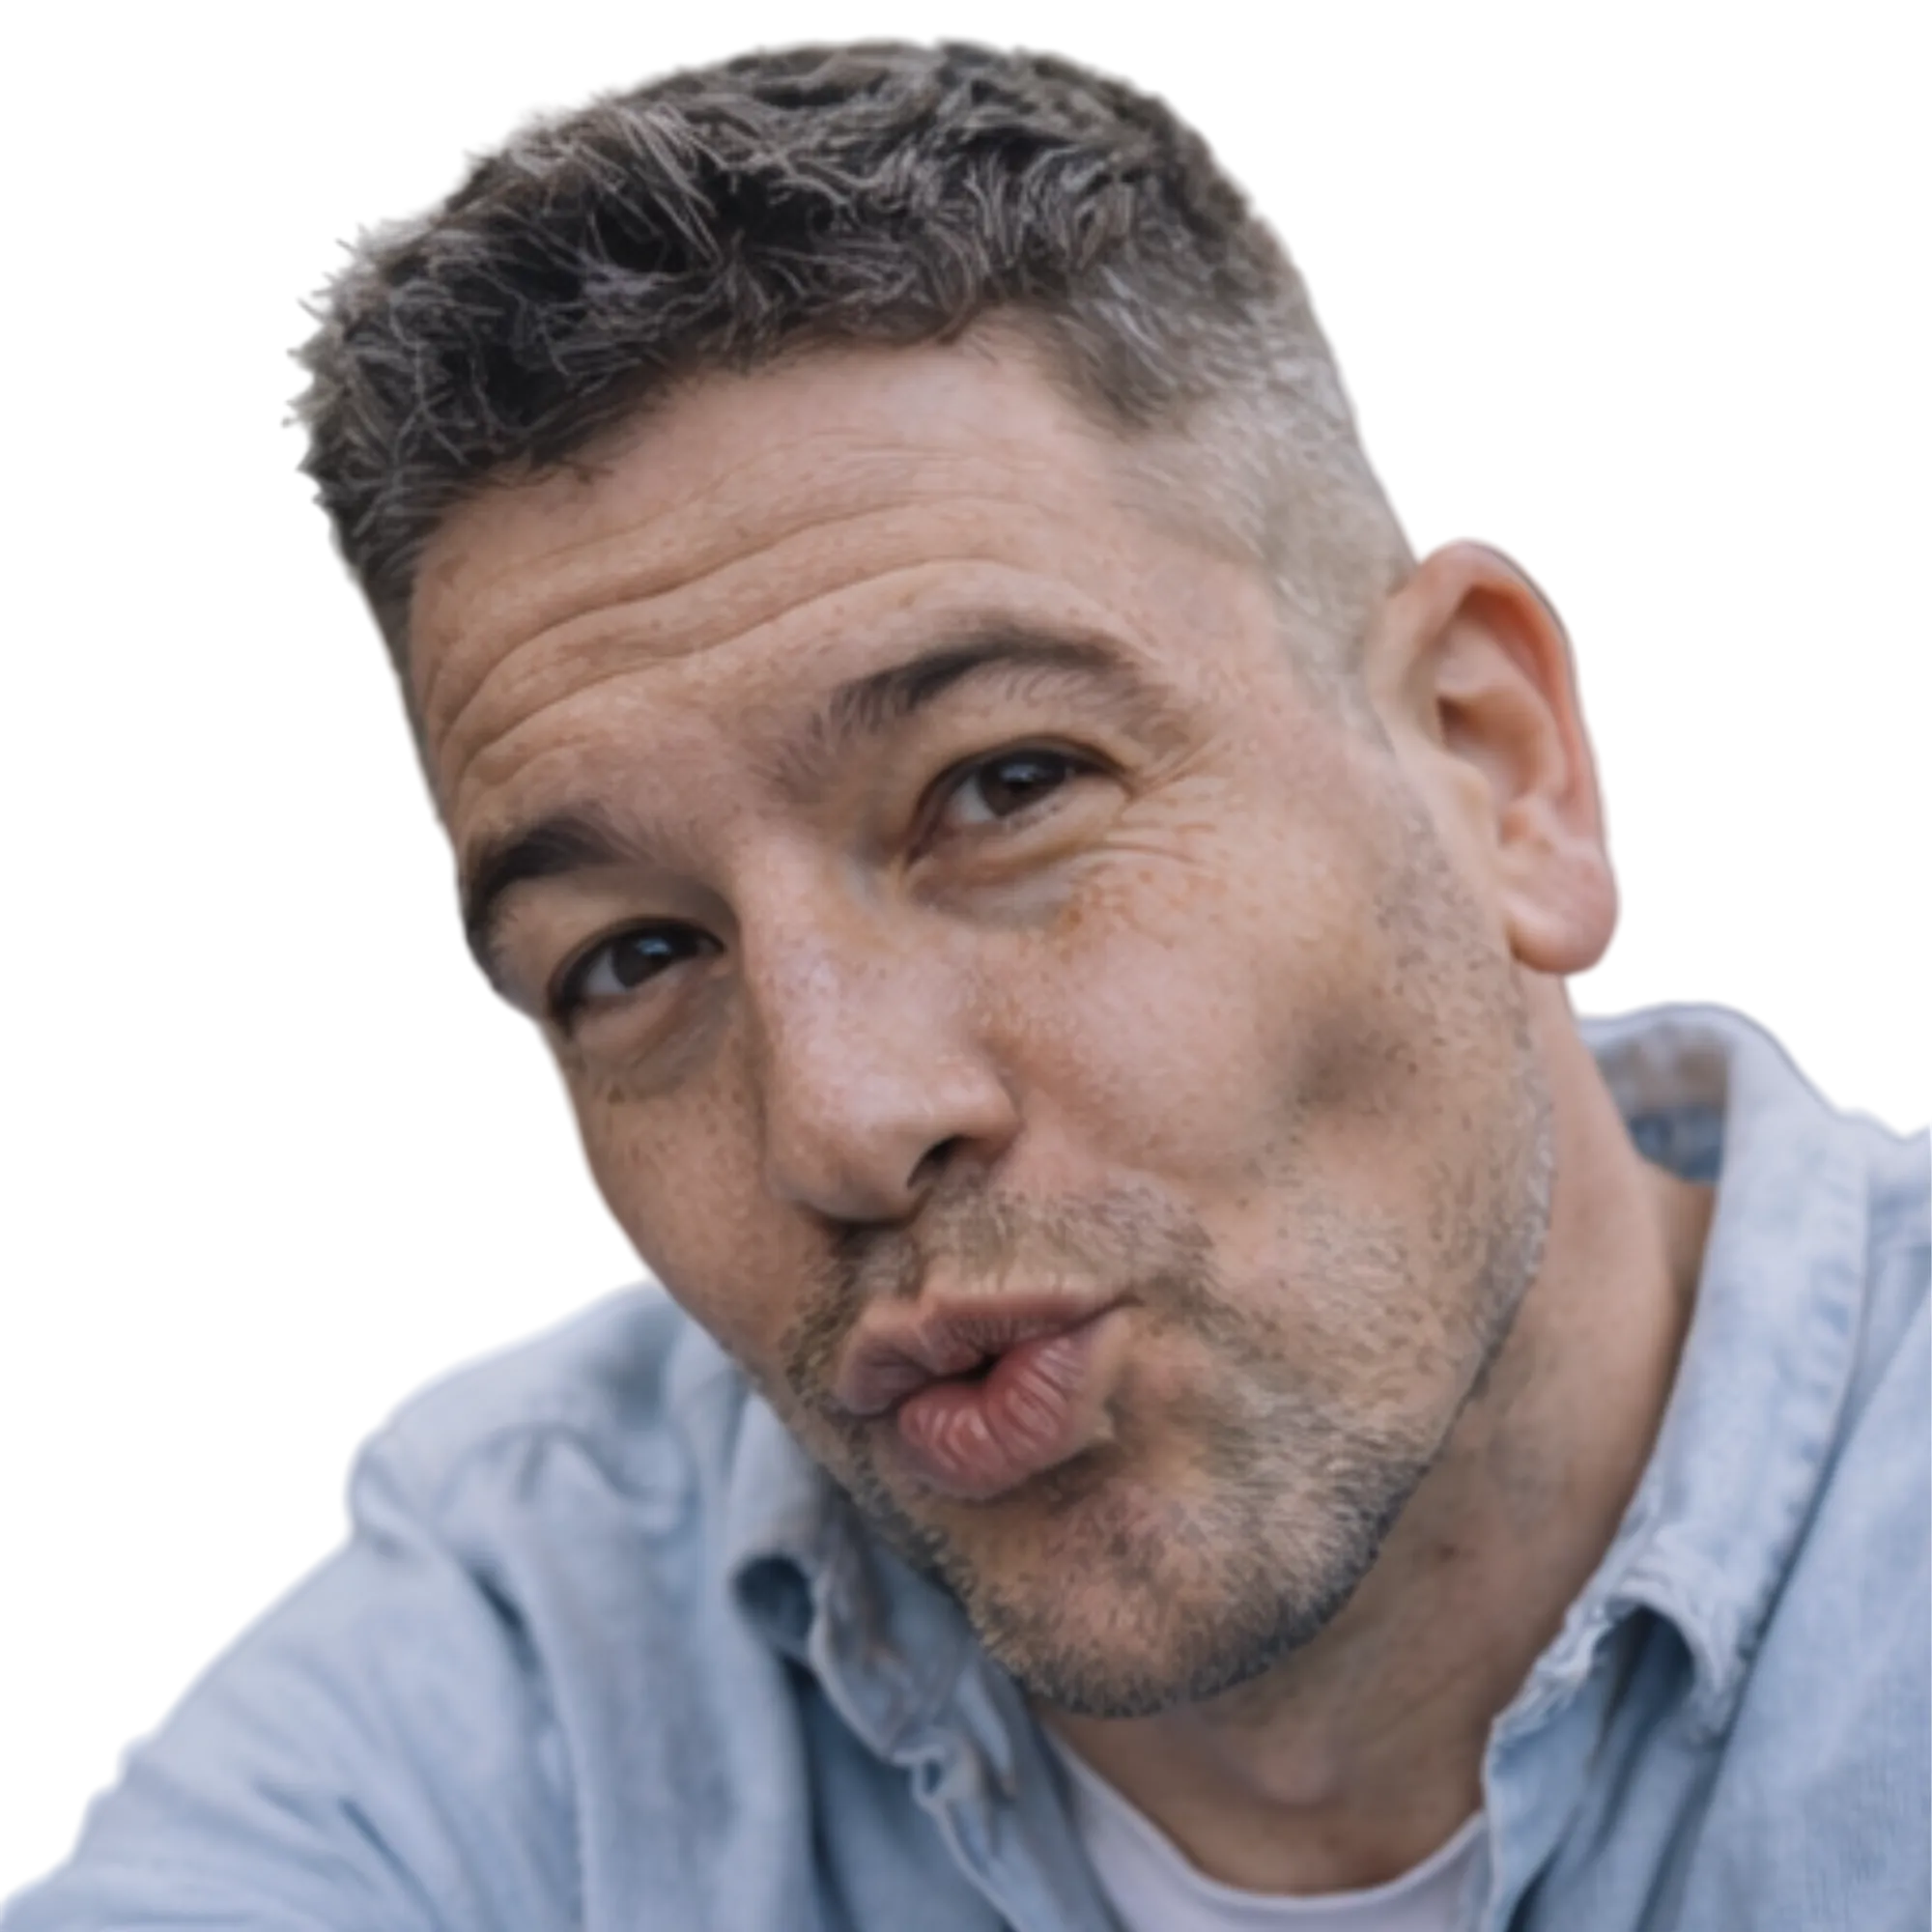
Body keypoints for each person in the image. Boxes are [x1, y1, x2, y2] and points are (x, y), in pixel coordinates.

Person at [6, 34, 1924, 1932]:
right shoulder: (517, 1650)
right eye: (636, 956)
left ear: (1492, 761)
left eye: (1002, 788)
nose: (838, 1118)